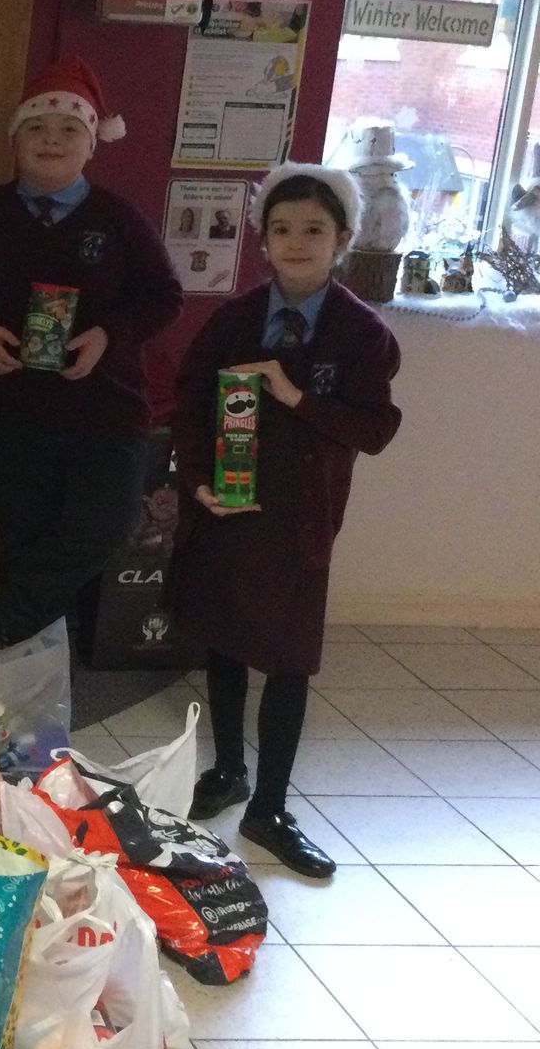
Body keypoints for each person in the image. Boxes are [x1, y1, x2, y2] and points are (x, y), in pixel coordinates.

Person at [172, 164, 401, 877]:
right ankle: (229, 769)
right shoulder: (234, 320)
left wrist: (297, 396)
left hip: (302, 522)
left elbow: (374, 429)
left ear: (343, 239)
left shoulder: (363, 334)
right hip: (230, 510)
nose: (296, 242)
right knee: (226, 640)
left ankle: (270, 808)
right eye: (281, 229)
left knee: (290, 659)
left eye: (313, 229)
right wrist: (200, 481)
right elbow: (190, 403)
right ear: (262, 239)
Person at [0, 55, 183, 651]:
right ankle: (18, 687)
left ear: (92, 144)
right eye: (36, 128)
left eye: (68, 129)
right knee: (25, 545)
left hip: (108, 412)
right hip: (18, 411)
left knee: (104, 531)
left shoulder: (118, 219)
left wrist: (108, 334)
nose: (52, 140)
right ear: (15, 142)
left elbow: (165, 297)